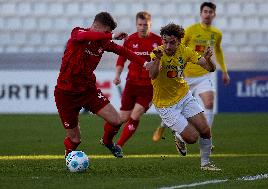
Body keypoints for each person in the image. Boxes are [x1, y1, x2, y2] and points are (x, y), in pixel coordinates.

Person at [54, 12, 149, 159]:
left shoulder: (103, 42)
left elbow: (123, 51)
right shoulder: (78, 33)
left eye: (110, 33)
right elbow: (85, 36)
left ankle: (107, 141)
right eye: (107, 31)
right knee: (75, 139)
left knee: (116, 121)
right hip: (65, 94)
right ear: (97, 26)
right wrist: (111, 36)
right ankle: (69, 158)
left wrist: (145, 63)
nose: (108, 34)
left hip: (88, 91)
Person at [152, 2, 230, 154]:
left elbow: (218, 52)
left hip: (202, 75)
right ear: (201, 13)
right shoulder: (190, 31)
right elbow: (180, 51)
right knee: (176, 106)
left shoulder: (217, 34)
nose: (207, 14)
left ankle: (205, 135)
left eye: (210, 12)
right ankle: (177, 130)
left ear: (214, 14)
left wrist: (224, 70)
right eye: (205, 11)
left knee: (209, 102)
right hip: (184, 75)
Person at [144, 23, 221, 171]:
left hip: (184, 96)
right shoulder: (157, 53)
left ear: (179, 41)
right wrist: (158, 60)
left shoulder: (186, 51)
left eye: (172, 42)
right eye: (165, 42)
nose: (167, 46)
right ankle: (179, 135)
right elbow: (152, 74)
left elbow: (210, 68)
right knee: (192, 138)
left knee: (205, 130)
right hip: (165, 105)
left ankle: (205, 164)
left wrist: (209, 59)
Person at [111, 11, 162, 150]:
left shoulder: (158, 42)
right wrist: (117, 75)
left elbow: (162, 65)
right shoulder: (130, 40)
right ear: (136, 24)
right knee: (122, 117)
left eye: (145, 24)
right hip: (131, 84)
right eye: (140, 24)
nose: (142, 27)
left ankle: (119, 145)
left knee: (136, 113)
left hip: (148, 86)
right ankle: (107, 139)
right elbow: (122, 58)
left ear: (150, 24)